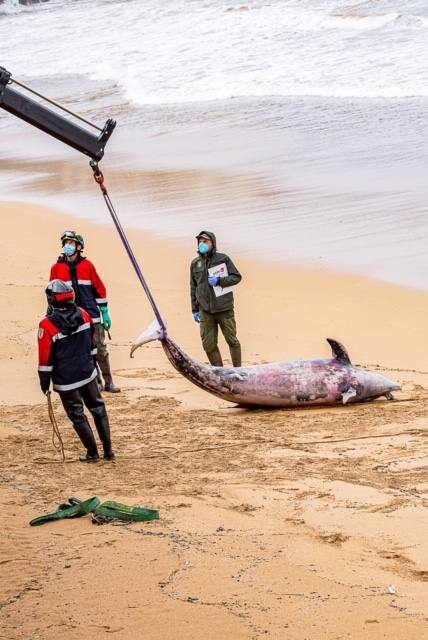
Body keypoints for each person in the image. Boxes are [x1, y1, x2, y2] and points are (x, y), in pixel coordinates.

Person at [37, 279, 114, 462]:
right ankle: (109, 452)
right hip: (88, 373)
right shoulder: (84, 314)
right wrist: (92, 365)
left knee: (77, 415)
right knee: (98, 409)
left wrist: (44, 381)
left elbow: (44, 357)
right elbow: (93, 345)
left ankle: (92, 453)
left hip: (66, 380)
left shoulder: (46, 325)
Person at [49, 230, 120, 392]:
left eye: (71, 243)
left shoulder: (87, 266)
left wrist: (105, 310)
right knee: (85, 352)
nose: (68, 246)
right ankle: (96, 382)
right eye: (66, 243)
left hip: (93, 317)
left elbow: (99, 288)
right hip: (72, 320)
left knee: (100, 349)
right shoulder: (56, 268)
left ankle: (109, 382)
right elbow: (52, 294)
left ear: (79, 246)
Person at [190, 230, 242, 367]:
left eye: (205, 241)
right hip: (205, 310)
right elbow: (193, 287)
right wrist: (194, 310)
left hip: (224, 308)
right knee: (208, 345)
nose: (202, 243)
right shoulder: (195, 264)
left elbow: (236, 277)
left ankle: (238, 370)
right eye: (200, 241)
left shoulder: (223, 259)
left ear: (212, 243)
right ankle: (220, 372)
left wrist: (219, 280)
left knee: (232, 340)